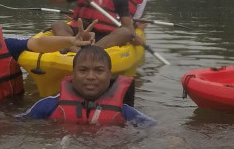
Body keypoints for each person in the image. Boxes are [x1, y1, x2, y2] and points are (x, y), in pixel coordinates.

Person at [21, 45, 153, 125]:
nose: (90, 76)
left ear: (109, 74)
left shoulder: (125, 112)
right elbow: (19, 122)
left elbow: (154, 129)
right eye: (83, 70)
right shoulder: (48, 106)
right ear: (73, 73)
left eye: (99, 70)